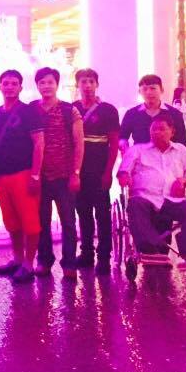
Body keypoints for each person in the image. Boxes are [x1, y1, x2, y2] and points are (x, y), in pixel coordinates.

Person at [117, 113, 186, 262]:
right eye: (153, 129)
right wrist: (124, 176)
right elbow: (123, 171)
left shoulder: (181, 150)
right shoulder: (137, 150)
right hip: (145, 200)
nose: (156, 132)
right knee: (135, 204)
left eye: (161, 129)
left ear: (172, 131)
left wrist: (183, 180)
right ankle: (150, 248)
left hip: (172, 201)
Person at [0, 70, 44, 285]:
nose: (9, 87)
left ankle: (28, 263)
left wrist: (35, 175)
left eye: (14, 83)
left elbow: (39, 144)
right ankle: (17, 259)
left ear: (20, 87)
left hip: (24, 173)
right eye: (6, 83)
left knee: (30, 222)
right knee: (11, 222)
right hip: (2, 175)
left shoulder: (29, 111)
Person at [31, 67, 84, 280]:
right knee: (41, 222)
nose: (46, 86)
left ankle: (69, 263)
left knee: (68, 222)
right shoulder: (32, 110)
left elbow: (79, 143)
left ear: (57, 84)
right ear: (37, 86)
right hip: (40, 177)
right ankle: (44, 261)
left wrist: (76, 173)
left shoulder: (69, 110)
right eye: (42, 82)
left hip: (64, 175)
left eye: (50, 82)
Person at [72, 69, 120, 275]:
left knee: (102, 214)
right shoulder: (72, 109)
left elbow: (114, 144)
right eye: (83, 81)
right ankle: (86, 253)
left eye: (91, 81)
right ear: (78, 85)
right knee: (82, 212)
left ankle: (104, 257)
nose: (87, 85)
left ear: (97, 84)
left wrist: (108, 172)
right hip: (78, 170)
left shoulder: (108, 110)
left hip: (99, 169)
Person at [119, 74, 186, 152]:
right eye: (145, 89)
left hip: (167, 158)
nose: (148, 92)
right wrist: (126, 150)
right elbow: (122, 137)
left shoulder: (175, 114)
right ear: (139, 92)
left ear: (162, 90)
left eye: (153, 88)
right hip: (141, 158)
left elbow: (182, 143)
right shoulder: (131, 114)